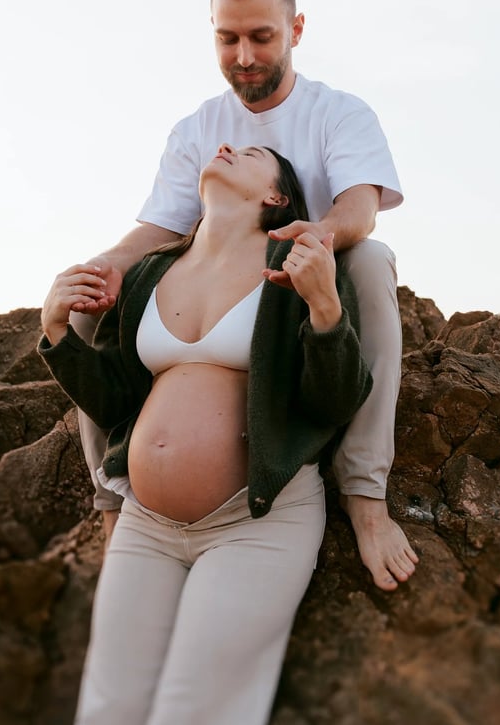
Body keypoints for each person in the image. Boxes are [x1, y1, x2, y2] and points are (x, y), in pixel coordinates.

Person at [70, 0, 418, 591]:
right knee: (94, 288)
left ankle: (367, 498)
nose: (245, 56)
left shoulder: (338, 111)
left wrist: (310, 239)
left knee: (371, 260)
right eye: (228, 38)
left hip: (309, 287)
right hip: (210, 285)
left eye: (262, 36)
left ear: (296, 29)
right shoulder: (200, 127)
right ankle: (115, 501)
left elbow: (359, 208)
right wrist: (106, 262)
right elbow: (165, 225)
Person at [39, 143, 371, 725]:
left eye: (247, 153)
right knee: (107, 709)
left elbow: (333, 402)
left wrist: (324, 309)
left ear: (276, 196)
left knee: (196, 712)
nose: (224, 148)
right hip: (145, 523)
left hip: (256, 525)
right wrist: (58, 333)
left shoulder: (300, 266)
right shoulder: (151, 271)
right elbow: (117, 400)